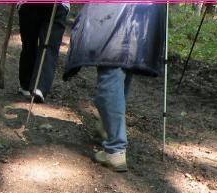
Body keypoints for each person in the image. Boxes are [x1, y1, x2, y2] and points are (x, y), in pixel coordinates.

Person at [64, 3, 166, 172]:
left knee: (112, 64)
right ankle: (106, 128)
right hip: (146, 13)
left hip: (113, 11)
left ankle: (115, 149)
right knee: (125, 61)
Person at [18, 2, 70, 103]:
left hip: (28, 5)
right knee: (50, 45)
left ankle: (27, 84)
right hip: (57, 5)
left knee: (29, 43)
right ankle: (39, 87)